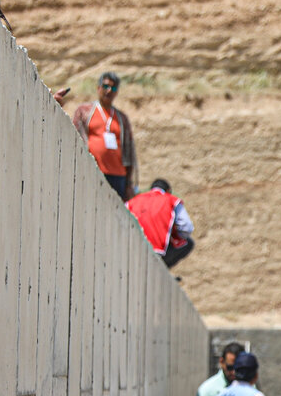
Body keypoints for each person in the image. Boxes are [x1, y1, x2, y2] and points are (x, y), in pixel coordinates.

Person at [72, 71, 139, 200]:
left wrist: (129, 182)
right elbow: (75, 138)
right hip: (93, 171)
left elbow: (129, 151)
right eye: (105, 86)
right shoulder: (85, 112)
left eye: (113, 88)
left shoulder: (121, 118)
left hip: (118, 176)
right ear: (98, 88)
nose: (109, 91)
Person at [127, 179, 195, 268]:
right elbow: (187, 227)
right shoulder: (172, 200)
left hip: (132, 248)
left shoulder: (133, 201)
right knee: (189, 243)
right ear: (168, 191)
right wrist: (175, 236)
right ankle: (163, 269)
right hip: (157, 251)